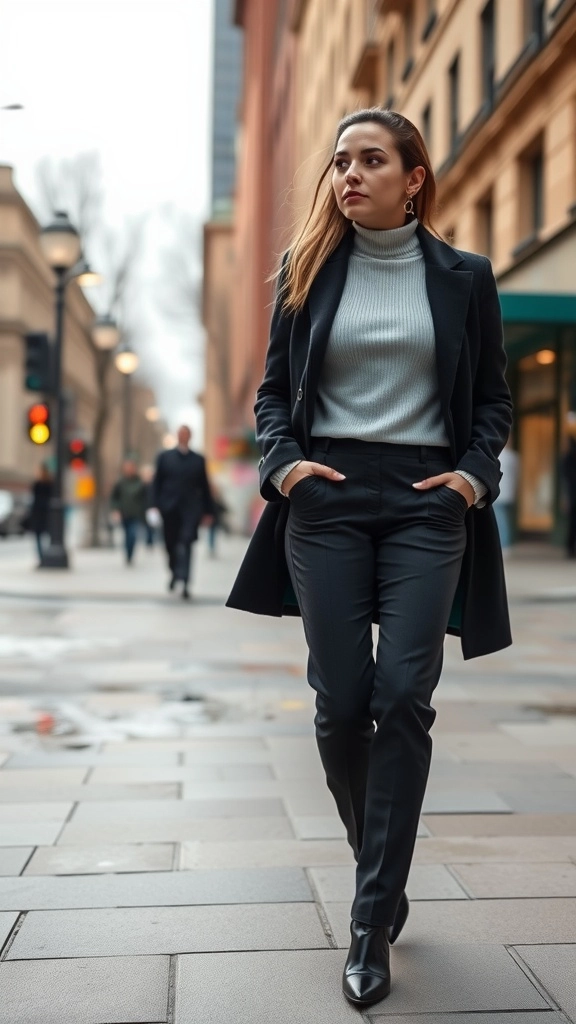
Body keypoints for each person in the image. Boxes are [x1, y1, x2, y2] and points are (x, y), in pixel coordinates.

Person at [227, 108, 512, 1007]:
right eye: (341, 161)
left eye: (372, 160)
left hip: (430, 504)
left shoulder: (466, 277)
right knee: (341, 705)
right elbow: (273, 395)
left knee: (403, 698)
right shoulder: (303, 272)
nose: (348, 174)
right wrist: (284, 469)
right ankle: (379, 865)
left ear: (414, 177)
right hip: (329, 501)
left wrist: (472, 476)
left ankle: (368, 915)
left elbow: (494, 401)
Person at [151, 426, 214, 599]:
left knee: (187, 543)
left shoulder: (198, 460)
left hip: (191, 510)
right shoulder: (165, 457)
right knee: (170, 545)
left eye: (186, 434)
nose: (184, 437)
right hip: (169, 509)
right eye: (181, 434)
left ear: (190, 437)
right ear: (177, 437)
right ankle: (174, 573)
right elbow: (156, 483)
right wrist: (154, 506)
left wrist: (209, 511)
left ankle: (185, 582)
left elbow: (205, 486)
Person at [109, 460, 148, 565]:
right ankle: (127, 554)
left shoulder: (140, 482)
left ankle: (130, 554)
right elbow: (114, 498)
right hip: (124, 513)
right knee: (127, 535)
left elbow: (146, 497)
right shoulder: (120, 482)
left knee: (133, 534)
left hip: (136, 514)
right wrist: (115, 510)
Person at [493, 438, 519, 556]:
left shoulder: (498, 455)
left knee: (501, 521)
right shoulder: (514, 457)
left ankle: (504, 545)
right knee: (505, 520)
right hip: (508, 493)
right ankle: (506, 543)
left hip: (499, 494)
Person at [29, 463, 53, 565]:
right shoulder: (39, 484)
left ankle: (44, 558)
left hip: (45, 515)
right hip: (42, 515)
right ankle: (43, 558)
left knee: (45, 538)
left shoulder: (48, 484)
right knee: (40, 538)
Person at [563, 435, 576, 558]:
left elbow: (566, 480)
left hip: (572, 496)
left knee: (572, 525)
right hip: (572, 497)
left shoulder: (567, 459)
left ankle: (570, 549)